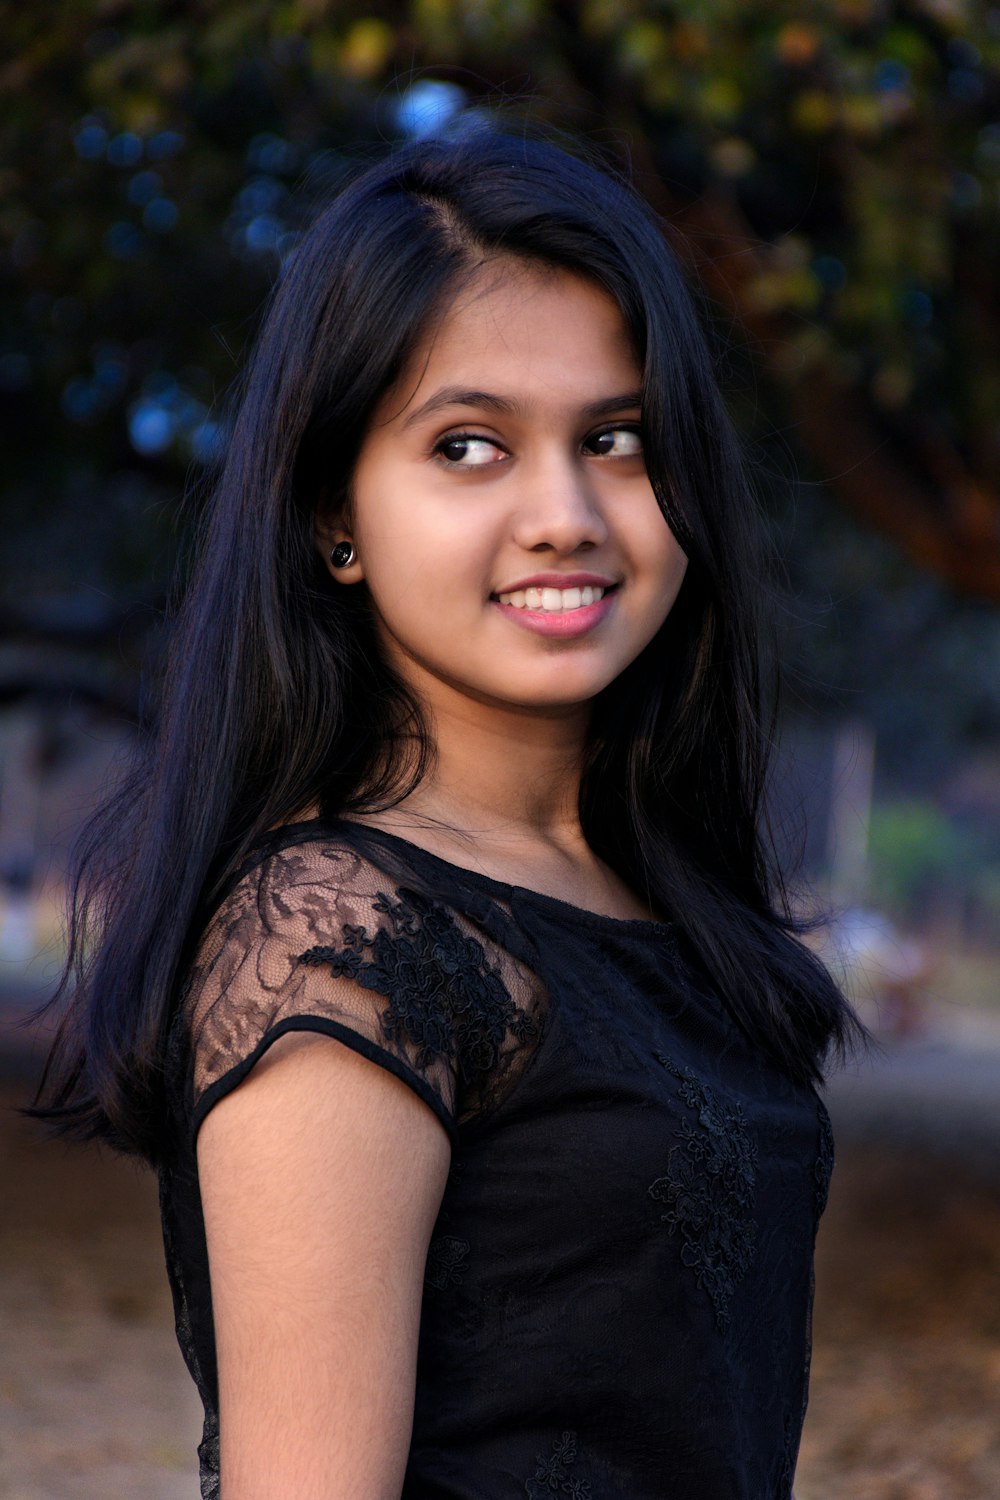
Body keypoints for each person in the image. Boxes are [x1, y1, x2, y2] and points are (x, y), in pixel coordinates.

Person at [34, 123, 860, 1499]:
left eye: (616, 438)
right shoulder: (344, 941)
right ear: (333, 518)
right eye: (469, 446)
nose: (565, 515)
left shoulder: (657, 894)